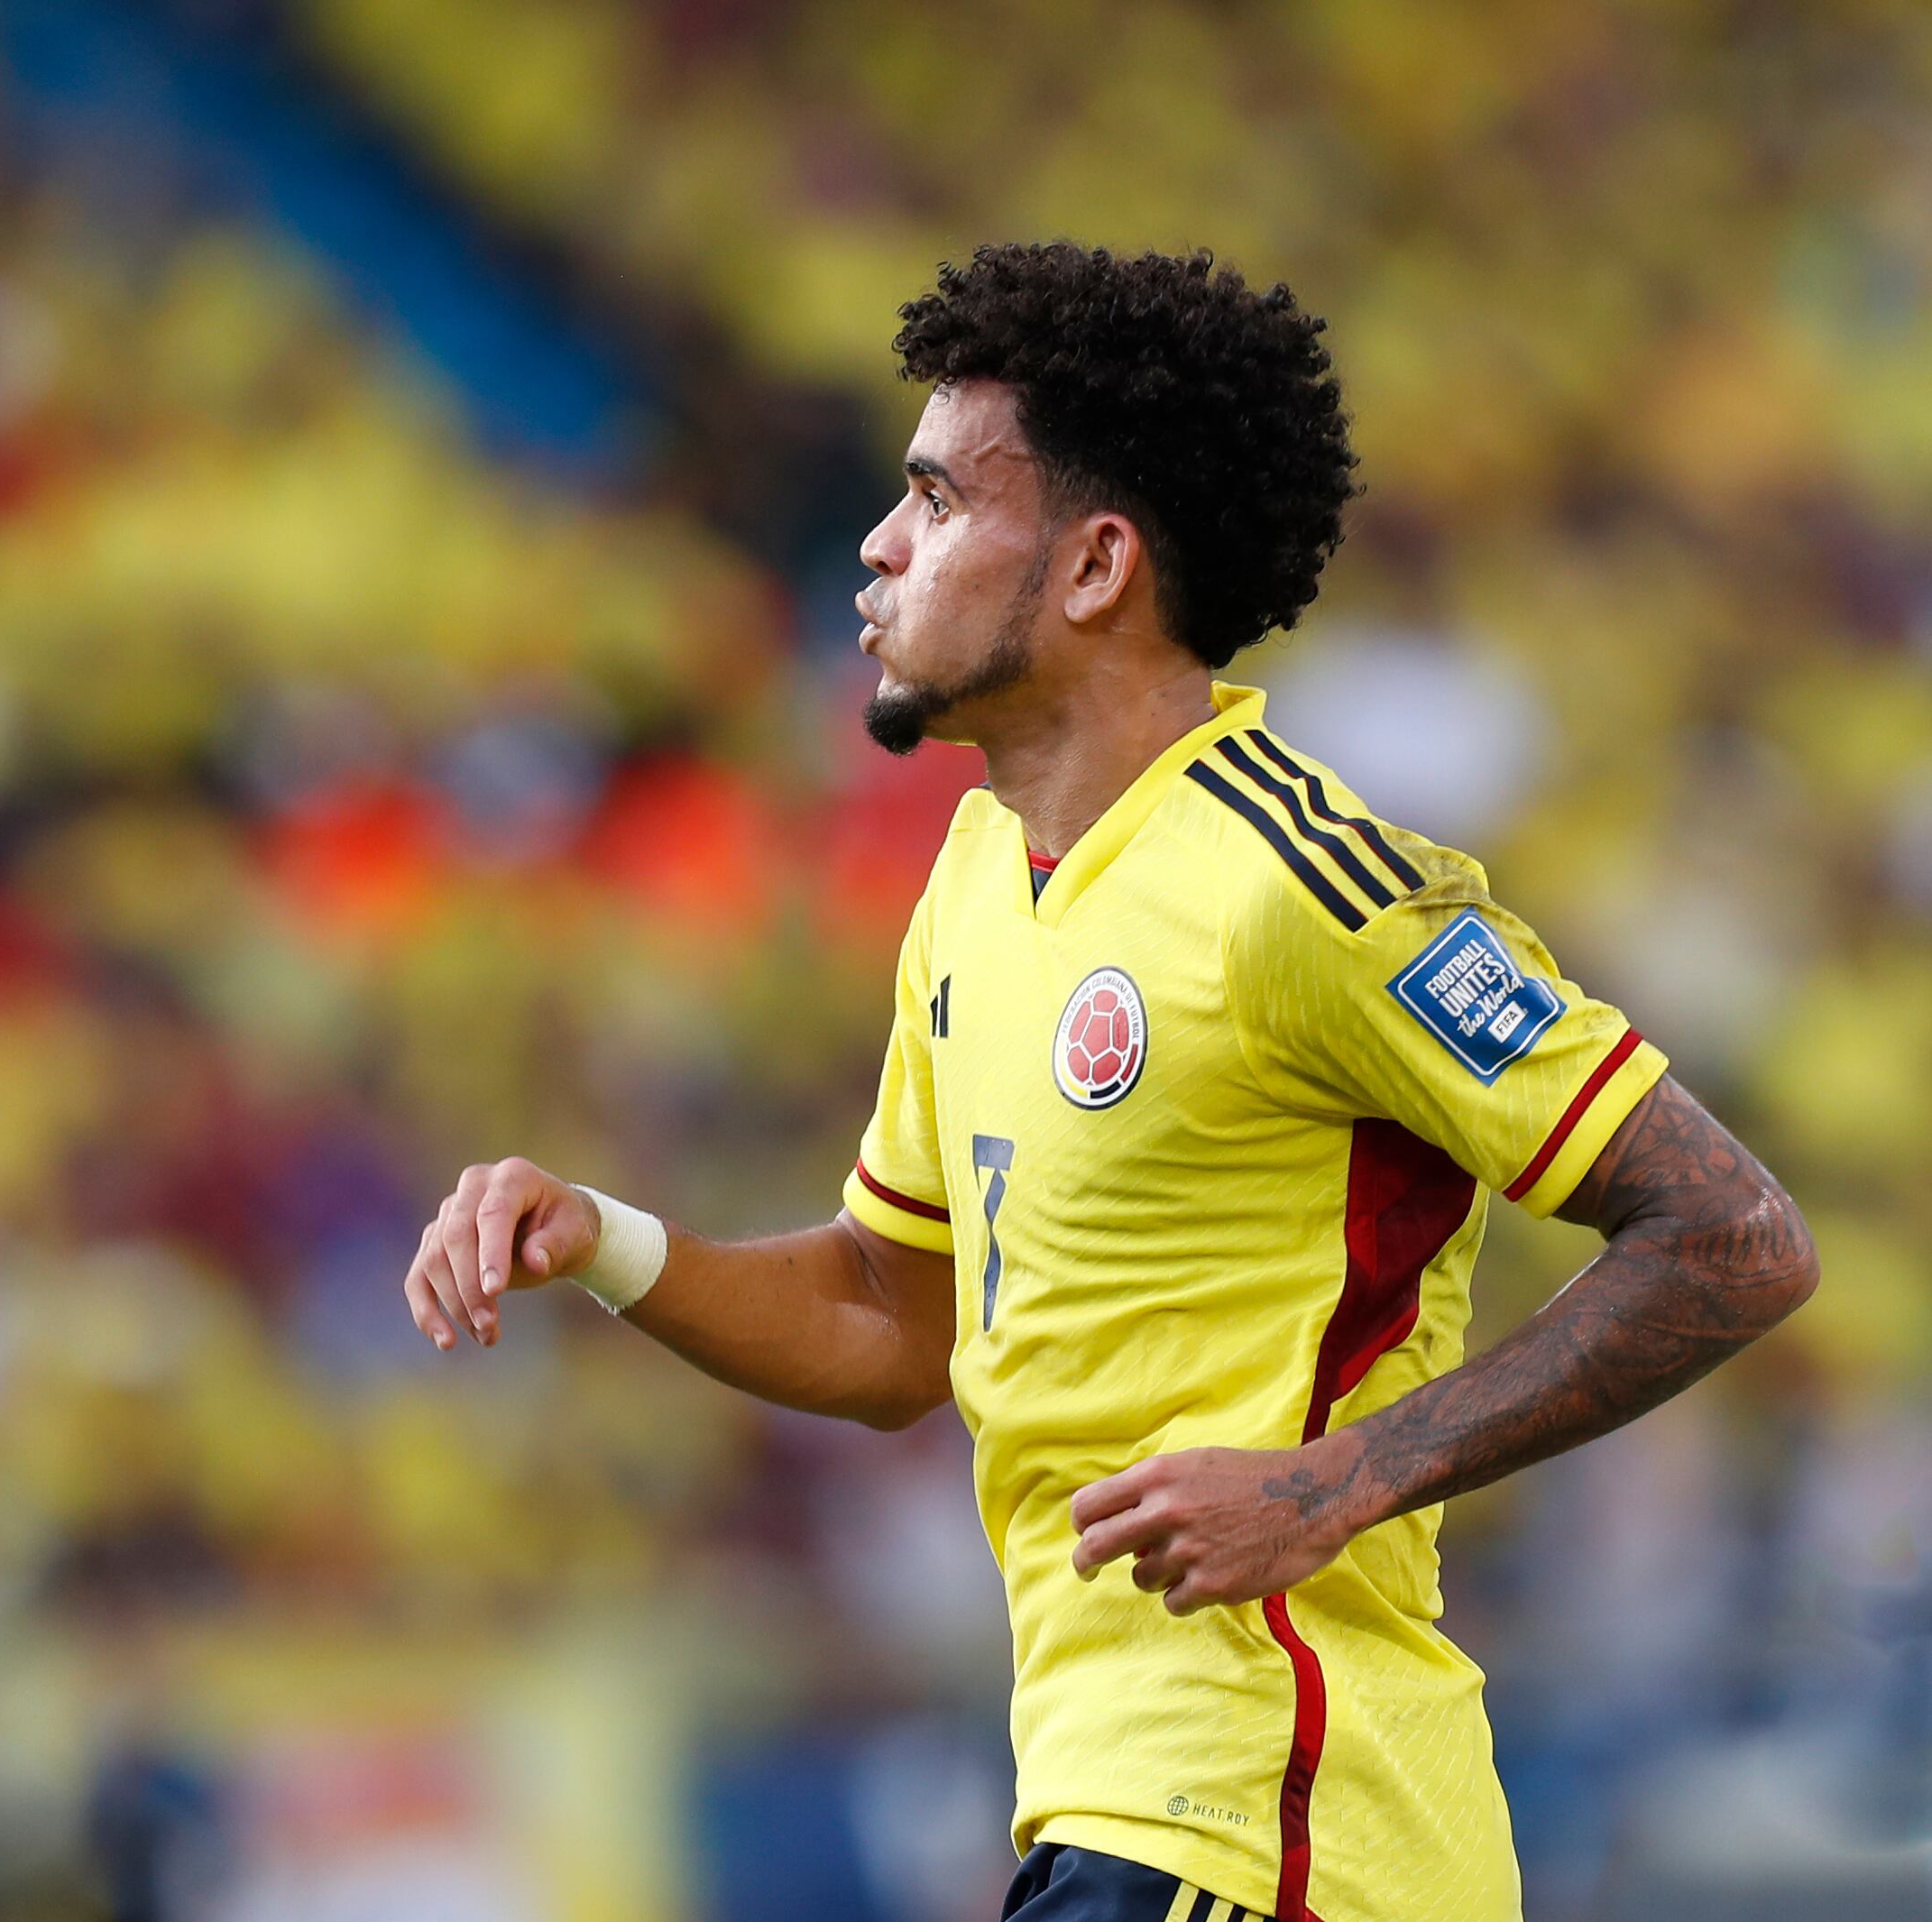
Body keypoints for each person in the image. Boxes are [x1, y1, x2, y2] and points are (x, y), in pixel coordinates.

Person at [398, 244, 1817, 1922]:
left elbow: (1733, 1235)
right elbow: (889, 1320)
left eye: (933, 497)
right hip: (1121, 1812)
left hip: (1275, 1824)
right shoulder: (977, 878)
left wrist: (1343, 1475)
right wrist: (607, 1242)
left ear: (1090, 567)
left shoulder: (1305, 889)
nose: (878, 543)